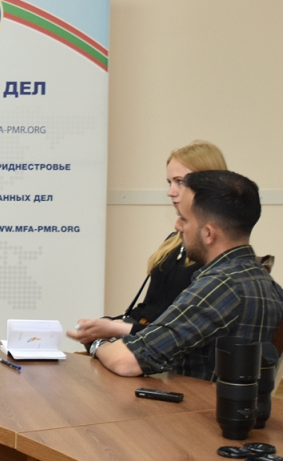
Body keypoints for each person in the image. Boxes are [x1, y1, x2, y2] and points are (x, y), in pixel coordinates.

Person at [91, 170, 283, 379]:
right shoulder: (264, 281)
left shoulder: (220, 287)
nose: (177, 226)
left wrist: (98, 344)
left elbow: (127, 360)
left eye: (183, 219)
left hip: (194, 399)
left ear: (208, 233)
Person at [68, 140, 226, 345]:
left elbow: (179, 332)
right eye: (169, 182)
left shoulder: (214, 250)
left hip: (165, 353)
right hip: (145, 342)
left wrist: (116, 329)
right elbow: (150, 310)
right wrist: (108, 324)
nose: (171, 191)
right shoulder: (173, 240)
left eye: (179, 181)